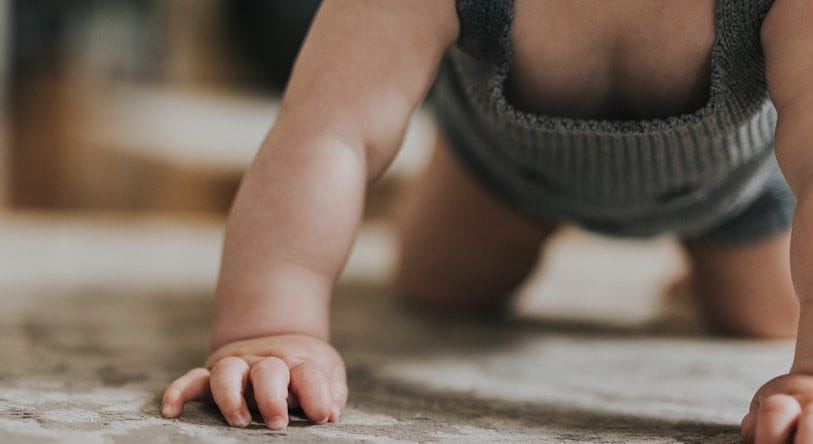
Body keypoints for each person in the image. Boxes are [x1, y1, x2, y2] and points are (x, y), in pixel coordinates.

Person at [160, 1, 813, 442]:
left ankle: (698, 262)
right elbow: (329, 131)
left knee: (760, 319)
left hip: (731, 193)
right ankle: (438, 176)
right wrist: (272, 329)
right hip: (497, 175)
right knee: (438, 286)